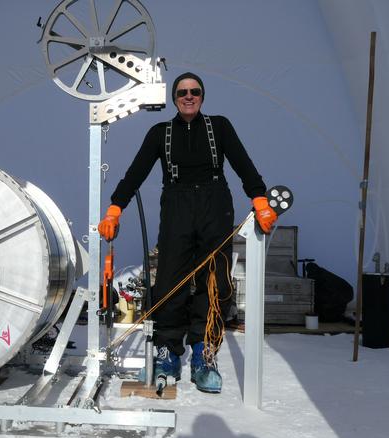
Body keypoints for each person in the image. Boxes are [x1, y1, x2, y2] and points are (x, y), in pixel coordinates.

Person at [98, 72, 277, 393]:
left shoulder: (219, 126)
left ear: (202, 96)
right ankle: (167, 350)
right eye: (182, 92)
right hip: (177, 205)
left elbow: (243, 164)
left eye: (195, 91)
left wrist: (260, 199)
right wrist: (115, 207)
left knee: (214, 279)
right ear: (174, 98)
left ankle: (203, 351)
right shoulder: (159, 132)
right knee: (169, 279)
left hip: (214, 203)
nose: (189, 96)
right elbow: (135, 173)